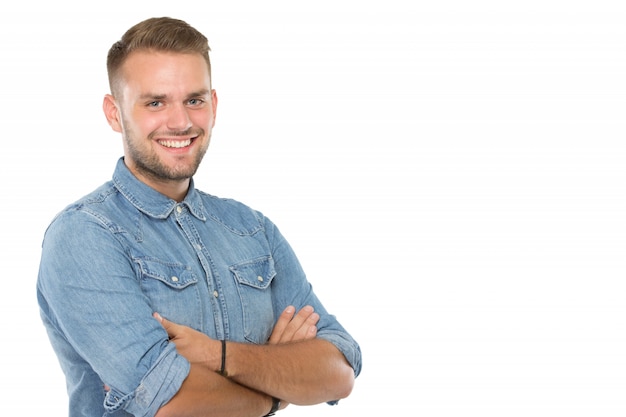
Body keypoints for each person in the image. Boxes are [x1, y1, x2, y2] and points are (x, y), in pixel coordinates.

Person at [37, 16, 362, 417]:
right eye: (155, 102)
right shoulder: (83, 236)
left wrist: (219, 356)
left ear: (214, 104)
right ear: (114, 113)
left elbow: (339, 370)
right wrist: (276, 391)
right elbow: (174, 405)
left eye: (195, 100)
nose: (181, 122)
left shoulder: (251, 229)